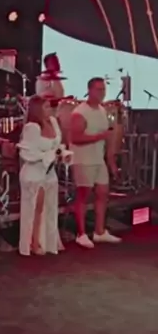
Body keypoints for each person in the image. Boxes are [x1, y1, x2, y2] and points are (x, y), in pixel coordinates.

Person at [69, 77, 120, 248]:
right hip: (83, 159)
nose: (102, 93)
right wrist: (99, 137)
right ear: (89, 90)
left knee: (103, 193)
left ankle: (99, 231)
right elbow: (75, 138)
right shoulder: (80, 112)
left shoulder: (102, 110)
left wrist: (110, 160)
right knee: (83, 195)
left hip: (98, 159)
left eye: (103, 89)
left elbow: (106, 136)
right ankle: (81, 234)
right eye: (98, 89)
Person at [18, 96, 72, 256]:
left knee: (49, 208)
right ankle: (33, 243)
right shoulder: (32, 128)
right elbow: (28, 153)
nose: (50, 110)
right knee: (37, 208)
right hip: (34, 173)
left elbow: (57, 146)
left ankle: (48, 242)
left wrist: (62, 154)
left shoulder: (53, 122)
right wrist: (50, 155)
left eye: (50, 107)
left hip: (49, 172)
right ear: (37, 110)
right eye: (46, 107)